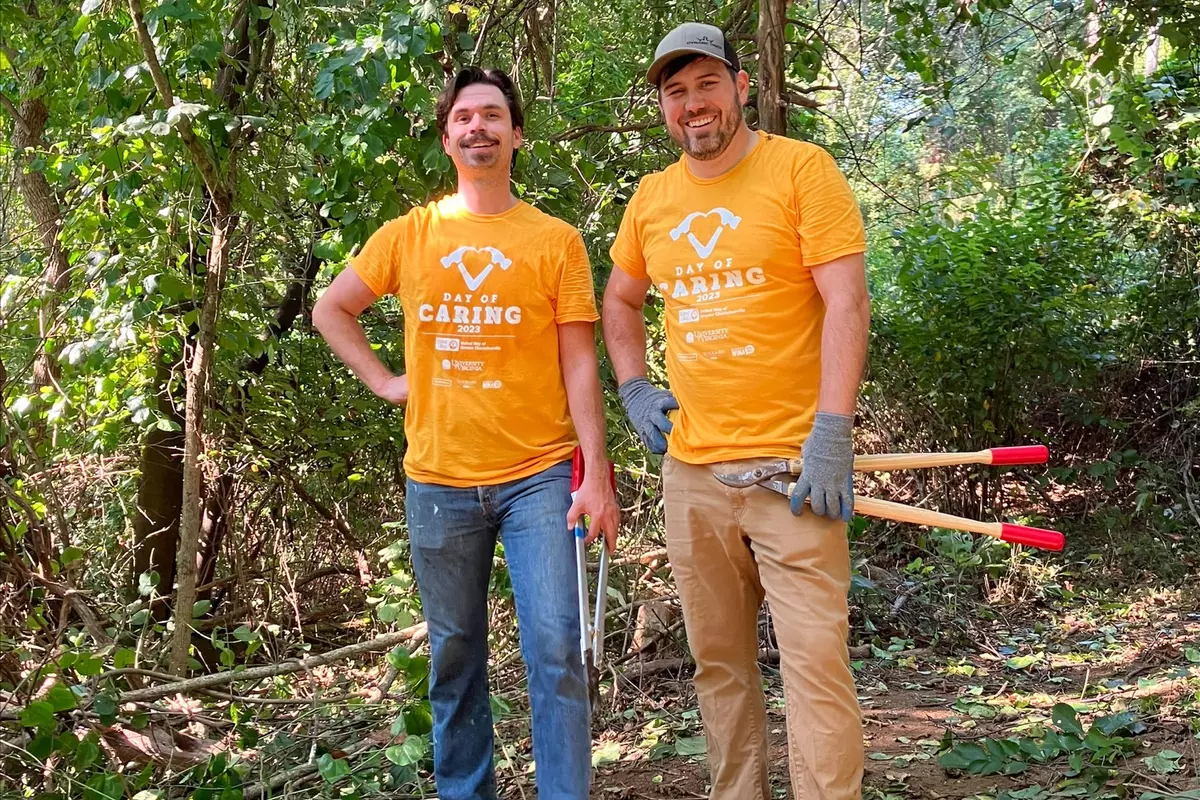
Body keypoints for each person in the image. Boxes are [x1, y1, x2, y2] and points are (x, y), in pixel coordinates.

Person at [313, 65, 619, 800]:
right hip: (439, 481)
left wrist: (597, 476)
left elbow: (581, 363)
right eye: (464, 117)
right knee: (454, 656)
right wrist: (386, 381)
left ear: (517, 134)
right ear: (447, 136)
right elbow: (332, 309)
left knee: (556, 651)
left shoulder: (555, 240)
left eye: (492, 115)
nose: (477, 126)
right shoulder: (411, 234)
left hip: (541, 476)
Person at [601, 22, 870, 800]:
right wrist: (633, 386)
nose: (692, 106)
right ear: (662, 106)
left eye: (706, 85)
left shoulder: (800, 170)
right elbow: (620, 298)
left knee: (816, 660)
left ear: (741, 87)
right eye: (675, 92)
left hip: (794, 469)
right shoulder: (653, 198)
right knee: (719, 664)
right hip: (692, 473)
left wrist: (832, 429)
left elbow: (846, 301)